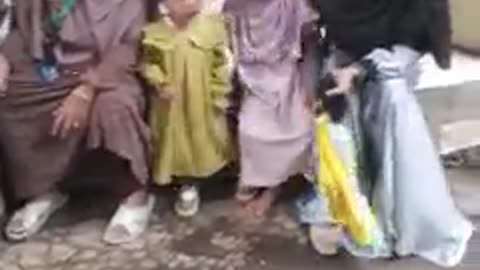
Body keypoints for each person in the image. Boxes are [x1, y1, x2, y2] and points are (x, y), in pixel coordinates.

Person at [298, 0, 473, 266]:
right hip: (342, 55)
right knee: (342, 137)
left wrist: (360, 70)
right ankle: (345, 212)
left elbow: (411, 41)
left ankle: (395, 224)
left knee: (392, 134)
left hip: (392, 65)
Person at [0, 0, 154, 245]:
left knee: (114, 106)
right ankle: (43, 191)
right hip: (54, 71)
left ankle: (134, 196)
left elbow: (130, 48)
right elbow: (25, 32)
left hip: (108, 73)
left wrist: (87, 89)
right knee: (9, 98)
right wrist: (4, 59)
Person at [224, 0, 318, 217]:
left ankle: (273, 187)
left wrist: (309, 83)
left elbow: (311, 40)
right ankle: (258, 180)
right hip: (250, 79)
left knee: (299, 129)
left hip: (288, 77)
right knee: (250, 130)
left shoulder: (291, 5)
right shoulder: (233, 8)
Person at [142, 0, 233, 217]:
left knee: (204, 139)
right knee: (176, 142)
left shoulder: (213, 28)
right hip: (172, 104)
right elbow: (149, 62)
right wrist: (160, 82)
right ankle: (185, 184)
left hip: (202, 100)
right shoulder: (156, 32)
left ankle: (211, 178)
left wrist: (219, 92)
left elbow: (223, 64)